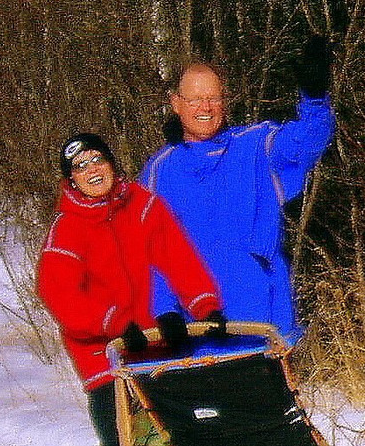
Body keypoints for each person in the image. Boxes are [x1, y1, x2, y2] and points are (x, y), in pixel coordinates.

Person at [37, 133, 227, 446]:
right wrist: (114, 323)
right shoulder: (67, 228)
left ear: (111, 163)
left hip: (150, 350)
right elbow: (58, 294)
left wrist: (204, 306)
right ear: (71, 180)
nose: (92, 170)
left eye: (97, 159)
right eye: (81, 167)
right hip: (105, 360)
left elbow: (177, 257)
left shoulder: (141, 205)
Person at [141, 37, 336, 349]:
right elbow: (150, 253)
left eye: (213, 98)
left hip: (264, 328)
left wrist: (314, 100)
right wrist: (165, 311)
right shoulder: (159, 171)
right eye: (195, 99)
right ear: (175, 103)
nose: (205, 107)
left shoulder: (256, 146)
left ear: (224, 101)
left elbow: (306, 143)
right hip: (196, 332)